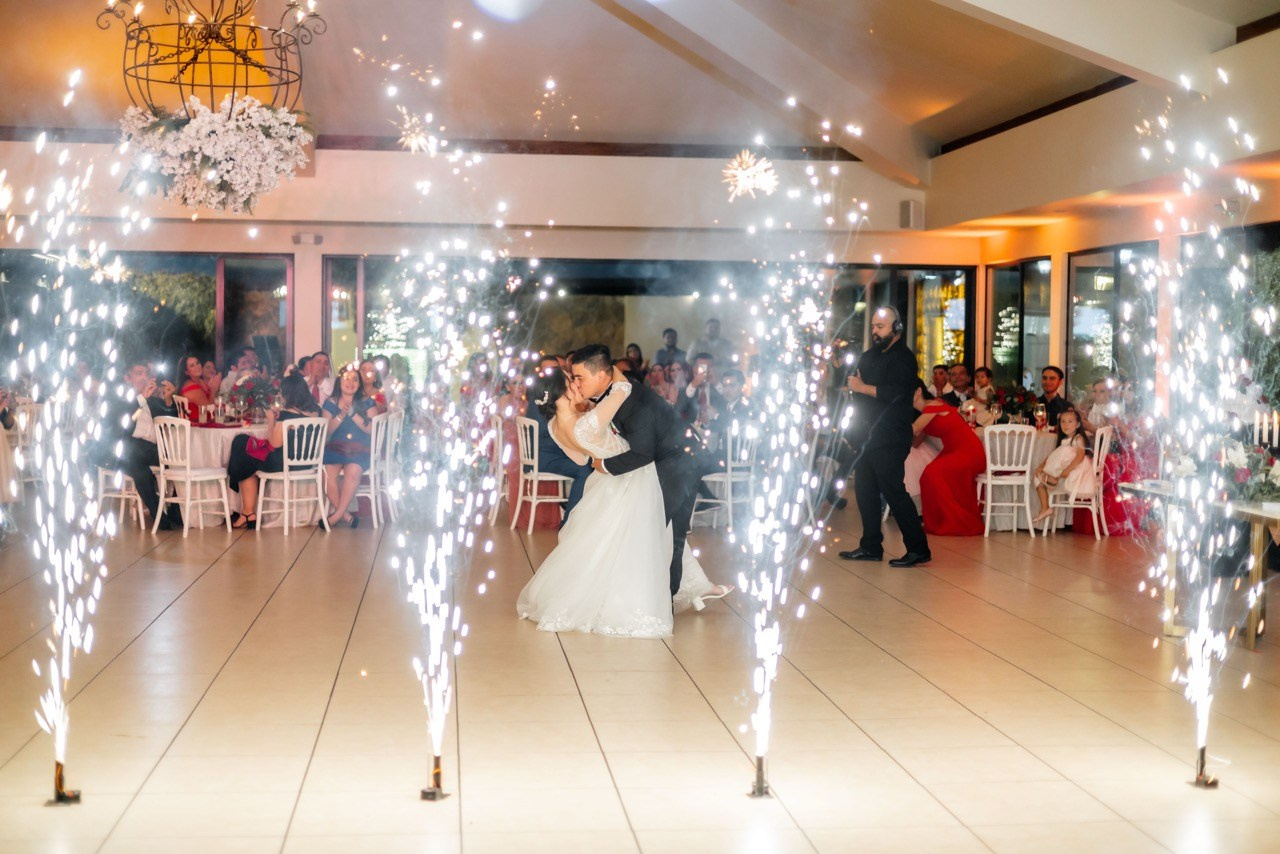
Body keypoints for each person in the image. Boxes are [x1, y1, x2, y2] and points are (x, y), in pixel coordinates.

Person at [516, 367, 729, 635]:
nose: (576, 384)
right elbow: (623, 390)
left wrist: (598, 446)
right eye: (573, 380)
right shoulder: (587, 421)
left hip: (605, 481)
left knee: (614, 544)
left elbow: (581, 460)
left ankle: (695, 586)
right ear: (563, 389)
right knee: (643, 539)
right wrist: (608, 371)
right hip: (631, 478)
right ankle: (645, 596)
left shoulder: (556, 425)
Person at [574, 344, 705, 598]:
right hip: (678, 458)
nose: (576, 383)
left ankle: (658, 597)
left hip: (679, 462)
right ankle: (664, 594)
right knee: (670, 531)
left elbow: (643, 454)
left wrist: (605, 465)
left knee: (657, 528)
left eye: (580, 377)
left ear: (601, 376)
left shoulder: (630, 401)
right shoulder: (618, 392)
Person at [839, 306, 931, 567]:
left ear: (896, 328)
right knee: (865, 490)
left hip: (891, 435)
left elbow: (896, 394)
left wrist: (862, 387)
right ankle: (870, 546)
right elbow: (854, 382)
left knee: (893, 490)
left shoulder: (904, 359)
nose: (875, 331)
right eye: (873, 327)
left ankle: (918, 548)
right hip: (867, 435)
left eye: (880, 327)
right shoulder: (870, 356)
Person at [225, 374, 322, 529]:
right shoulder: (317, 410)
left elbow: (274, 443)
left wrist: (271, 420)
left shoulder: (288, 414)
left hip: (284, 463)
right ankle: (248, 514)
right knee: (245, 449)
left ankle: (248, 513)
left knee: (240, 444)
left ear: (288, 394)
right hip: (307, 463)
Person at [104, 363, 181, 529]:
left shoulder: (151, 400)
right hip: (121, 452)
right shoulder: (118, 399)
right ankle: (160, 514)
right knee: (137, 460)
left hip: (145, 452)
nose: (144, 377)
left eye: (146, 373)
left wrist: (168, 400)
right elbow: (123, 426)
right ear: (127, 378)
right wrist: (141, 399)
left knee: (175, 458)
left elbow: (172, 424)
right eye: (139, 373)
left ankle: (174, 510)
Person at [522, 367, 593, 525]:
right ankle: (568, 523)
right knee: (584, 470)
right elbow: (545, 433)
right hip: (543, 457)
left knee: (592, 465)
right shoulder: (542, 402)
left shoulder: (552, 400)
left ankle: (583, 515)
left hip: (552, 453)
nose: (572, 384)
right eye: (568, 380)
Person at [912, 385, 985, 536]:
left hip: (967, 450)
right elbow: (916, 440)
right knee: (928, 477)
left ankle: (955, 521)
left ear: (919, 391)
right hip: (954, 450)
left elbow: (914, 429)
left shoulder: (932, 405)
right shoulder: (925, 413)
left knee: (931, 474)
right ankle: (938, 521)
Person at [321, 365, 377, 528]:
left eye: (355, 379)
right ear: (339, 381)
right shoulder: (331, 402)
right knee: (328, 473)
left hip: (360, 447)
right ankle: (345, 516)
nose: (350, 382)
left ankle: (337, 515)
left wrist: (353, 414)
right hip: (336, 446)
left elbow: (373, 429)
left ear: (359, 384)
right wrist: (341, 415)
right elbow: (326, 431)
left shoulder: (367, 402)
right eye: (346, 378)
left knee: (353, 471)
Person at [1032, 408, 1094, 524]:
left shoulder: (1078, 438)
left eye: (1070, 421)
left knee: (1065, 450)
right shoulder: (1064, 441)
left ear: (1078, 424)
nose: (1066, 424)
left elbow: (1080, 457)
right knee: (1037, 477)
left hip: (1074, 474)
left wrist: (1067, 470)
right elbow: (1052, 456)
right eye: (1063, 421)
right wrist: (1041, 466)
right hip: (1063, 475)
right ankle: (1045, 507)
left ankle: (1053, 478)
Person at [676, 353, 725, 431]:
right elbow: (679, 408)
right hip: (690, 433)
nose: (705, 371)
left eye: (708, 367)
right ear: (694, 369)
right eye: (702, 367)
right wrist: (694, 384)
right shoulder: (686, 388)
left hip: (714, 433)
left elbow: (727, 404)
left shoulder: (718, 388)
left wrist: (715, 383)